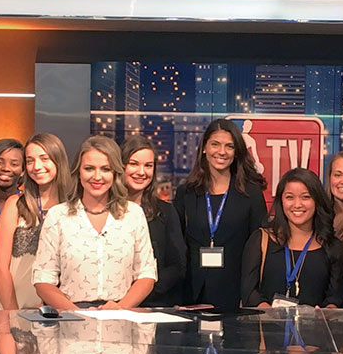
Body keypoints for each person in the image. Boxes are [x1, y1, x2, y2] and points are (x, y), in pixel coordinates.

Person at [34, 136, 157, 309]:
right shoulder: (58, 216)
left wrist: (120, 308)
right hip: (71, 315)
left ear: (115, 173)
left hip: (120, 313)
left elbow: (146, 274)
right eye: (89, 168)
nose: (97, 176)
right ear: (78, 172)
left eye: (105, 169)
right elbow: (43, 279)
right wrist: (77, 313)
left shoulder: (133, 214)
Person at [174, 119, 268, 310]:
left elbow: (259, 249)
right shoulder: (187, 192)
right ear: (204, 148)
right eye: (215, 144)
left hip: (235, 292)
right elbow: (177, 245)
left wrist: (249, 294)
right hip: (192, 292)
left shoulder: (251, 193)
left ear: (236, 152)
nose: (222, 152)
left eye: (229, 146)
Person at [243, 168, 343, 307]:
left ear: (317, 200)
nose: (297, 205)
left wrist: (326, 313)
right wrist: (272, 315)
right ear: (281, 201)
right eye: (290, 197)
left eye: (306, 197)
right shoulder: (261, 240)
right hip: (268, 320)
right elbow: (249, 292)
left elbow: (336, 298)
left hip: (314, 321)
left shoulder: (333, 247)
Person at [0, 133, 72, 310]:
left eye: (44, 159)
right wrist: (13, 313)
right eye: (30, 161)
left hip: (60, 309)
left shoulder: (73, 208)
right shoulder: (16, 204)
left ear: (58, 160)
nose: (37, 166)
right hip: (9, 307)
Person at [121, 135, 186, 307]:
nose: (141, 172)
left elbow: (177, 266)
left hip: (154, 305)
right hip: (111, 302)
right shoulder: (105, 212)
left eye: (148, 166)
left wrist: (142, 291)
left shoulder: (165, 212)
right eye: (134, 164)